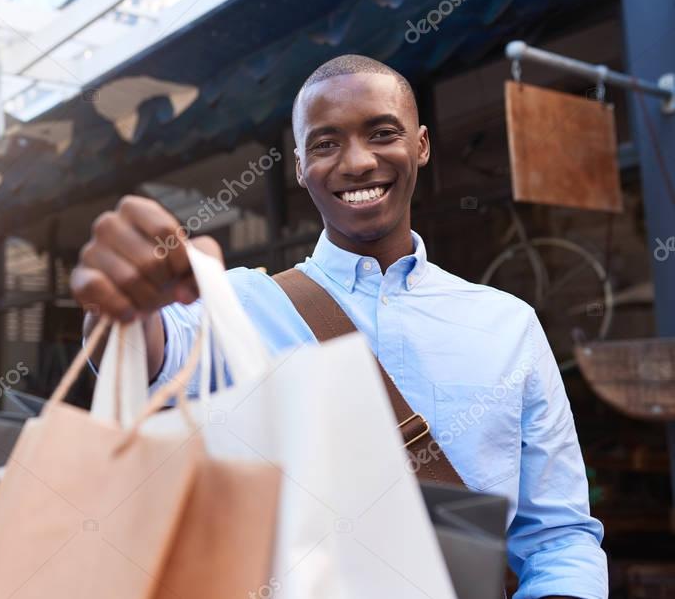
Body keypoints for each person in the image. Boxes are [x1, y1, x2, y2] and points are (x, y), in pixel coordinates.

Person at [70, 54, 606, 599]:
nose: (356, 162)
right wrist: (123, 300)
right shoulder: (235, 304)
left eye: (382, 133)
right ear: (299, 166)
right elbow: (149, 354)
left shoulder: (509, 324)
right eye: (326, 144)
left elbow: (558, 537)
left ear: (420, 144)